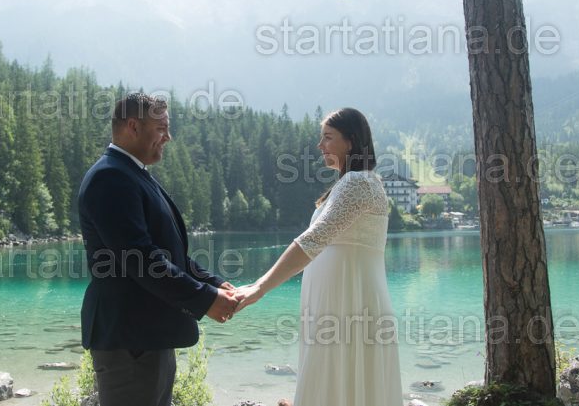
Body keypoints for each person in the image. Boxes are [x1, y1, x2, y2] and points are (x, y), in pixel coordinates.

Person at [78, 92, 241, 406]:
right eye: (161, 128)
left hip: (147, 337)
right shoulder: (110, 178)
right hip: (130, 340)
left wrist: (214, 284)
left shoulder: (131, 173)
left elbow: (167, 253)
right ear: (133, 127)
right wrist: (205, 299)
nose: (168, 137)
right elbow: (140, 259)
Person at [236, 108, 403, 406]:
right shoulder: (355, 183)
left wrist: (260, 287)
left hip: (347, 305)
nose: (320, 145)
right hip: (342, 303)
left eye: (327, 137)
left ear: (350, 141)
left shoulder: (358, 183)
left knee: (339, 382)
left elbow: (313, 240)